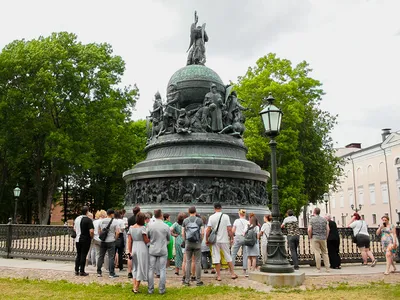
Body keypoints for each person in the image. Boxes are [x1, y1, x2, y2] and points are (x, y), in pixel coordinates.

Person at [206, 203, 238, 281]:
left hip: (215, 240)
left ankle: (219, 276)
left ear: (214, 208)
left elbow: (208, 229)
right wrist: (231, 238)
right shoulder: (225, 216)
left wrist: (206, 239)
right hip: (224, 239)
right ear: (221, 208)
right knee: (228, 256)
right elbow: (229, 229)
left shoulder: (211, 217)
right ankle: (232, 274)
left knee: (216, 257)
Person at [147, 209, 171, 295]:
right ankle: (161, 289)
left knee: (151, 269)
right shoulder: (166, 226)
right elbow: (169, 238)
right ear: (161, 215)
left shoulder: (150, 226)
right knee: (162, 269)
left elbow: (148, 236)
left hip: (153, 249)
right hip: (162, 249)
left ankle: (150, 289)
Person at [128, 212, 149, 294]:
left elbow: (129, 241)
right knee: (141, 267)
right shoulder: (143, 228)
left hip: (134, 247)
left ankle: (134, 286)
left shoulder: (131, 227)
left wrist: (129, 251)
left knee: (135, 267)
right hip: (142, 247)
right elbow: (146, 240)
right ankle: (136, 287)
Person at [182, 206, 204, 286]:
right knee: (198, 262)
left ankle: (187, 280)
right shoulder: (199, 220)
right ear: (195, 211)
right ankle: (198, 281)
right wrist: (200, 241)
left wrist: (185, 241)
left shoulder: (185, 220)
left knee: (188, 261)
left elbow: (182, 233)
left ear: (188, 211)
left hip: (188, 243)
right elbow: (202, 232)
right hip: (197, 242)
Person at [97, 209, 120, 278]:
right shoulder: (115, 221)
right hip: (111, 240)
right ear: (112, 214)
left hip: (103, 241)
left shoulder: (101, 221)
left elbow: (99, 231)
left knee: (101, 256)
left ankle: (99, 272)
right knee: (111, 257)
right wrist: (115, 238)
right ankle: (111, 273)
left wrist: (102, 237)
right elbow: (118, 232)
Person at [308, 207, 330, 272]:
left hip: (315, 237)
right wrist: (326, 236)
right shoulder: (324, 220)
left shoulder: (312, 220)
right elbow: (328, 229)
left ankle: (318, 268)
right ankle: (327, 268)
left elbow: (309, 229)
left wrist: (310, 236)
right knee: (325, 253)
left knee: (317, 252)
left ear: (314, 212)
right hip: (323, 237)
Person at [74, 206, 94, 276]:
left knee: (78, 254)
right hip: (85, 239)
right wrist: (91, 236)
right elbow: (91, 231)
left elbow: (74, 229)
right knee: (83, 254)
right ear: (87, 211)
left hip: (77, 239)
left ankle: (76, 270)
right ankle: (82, 271)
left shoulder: (77, 219)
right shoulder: (88, 220)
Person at [231, 209, 250, 275]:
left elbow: (233, 230)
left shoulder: (236, 221)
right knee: (245, 254)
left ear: (239, 214)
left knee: (233, 253)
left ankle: (232, 268)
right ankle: (244, 269)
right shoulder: (247, 222)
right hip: (245, 238)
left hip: (238, 237)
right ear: (244, 214)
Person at [127, 206, 140, 279]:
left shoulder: (129, 219)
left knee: (130, 255)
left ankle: (129, 271)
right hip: (138, 238)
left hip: (131, 237)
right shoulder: (139, 219)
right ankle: (136, 270)